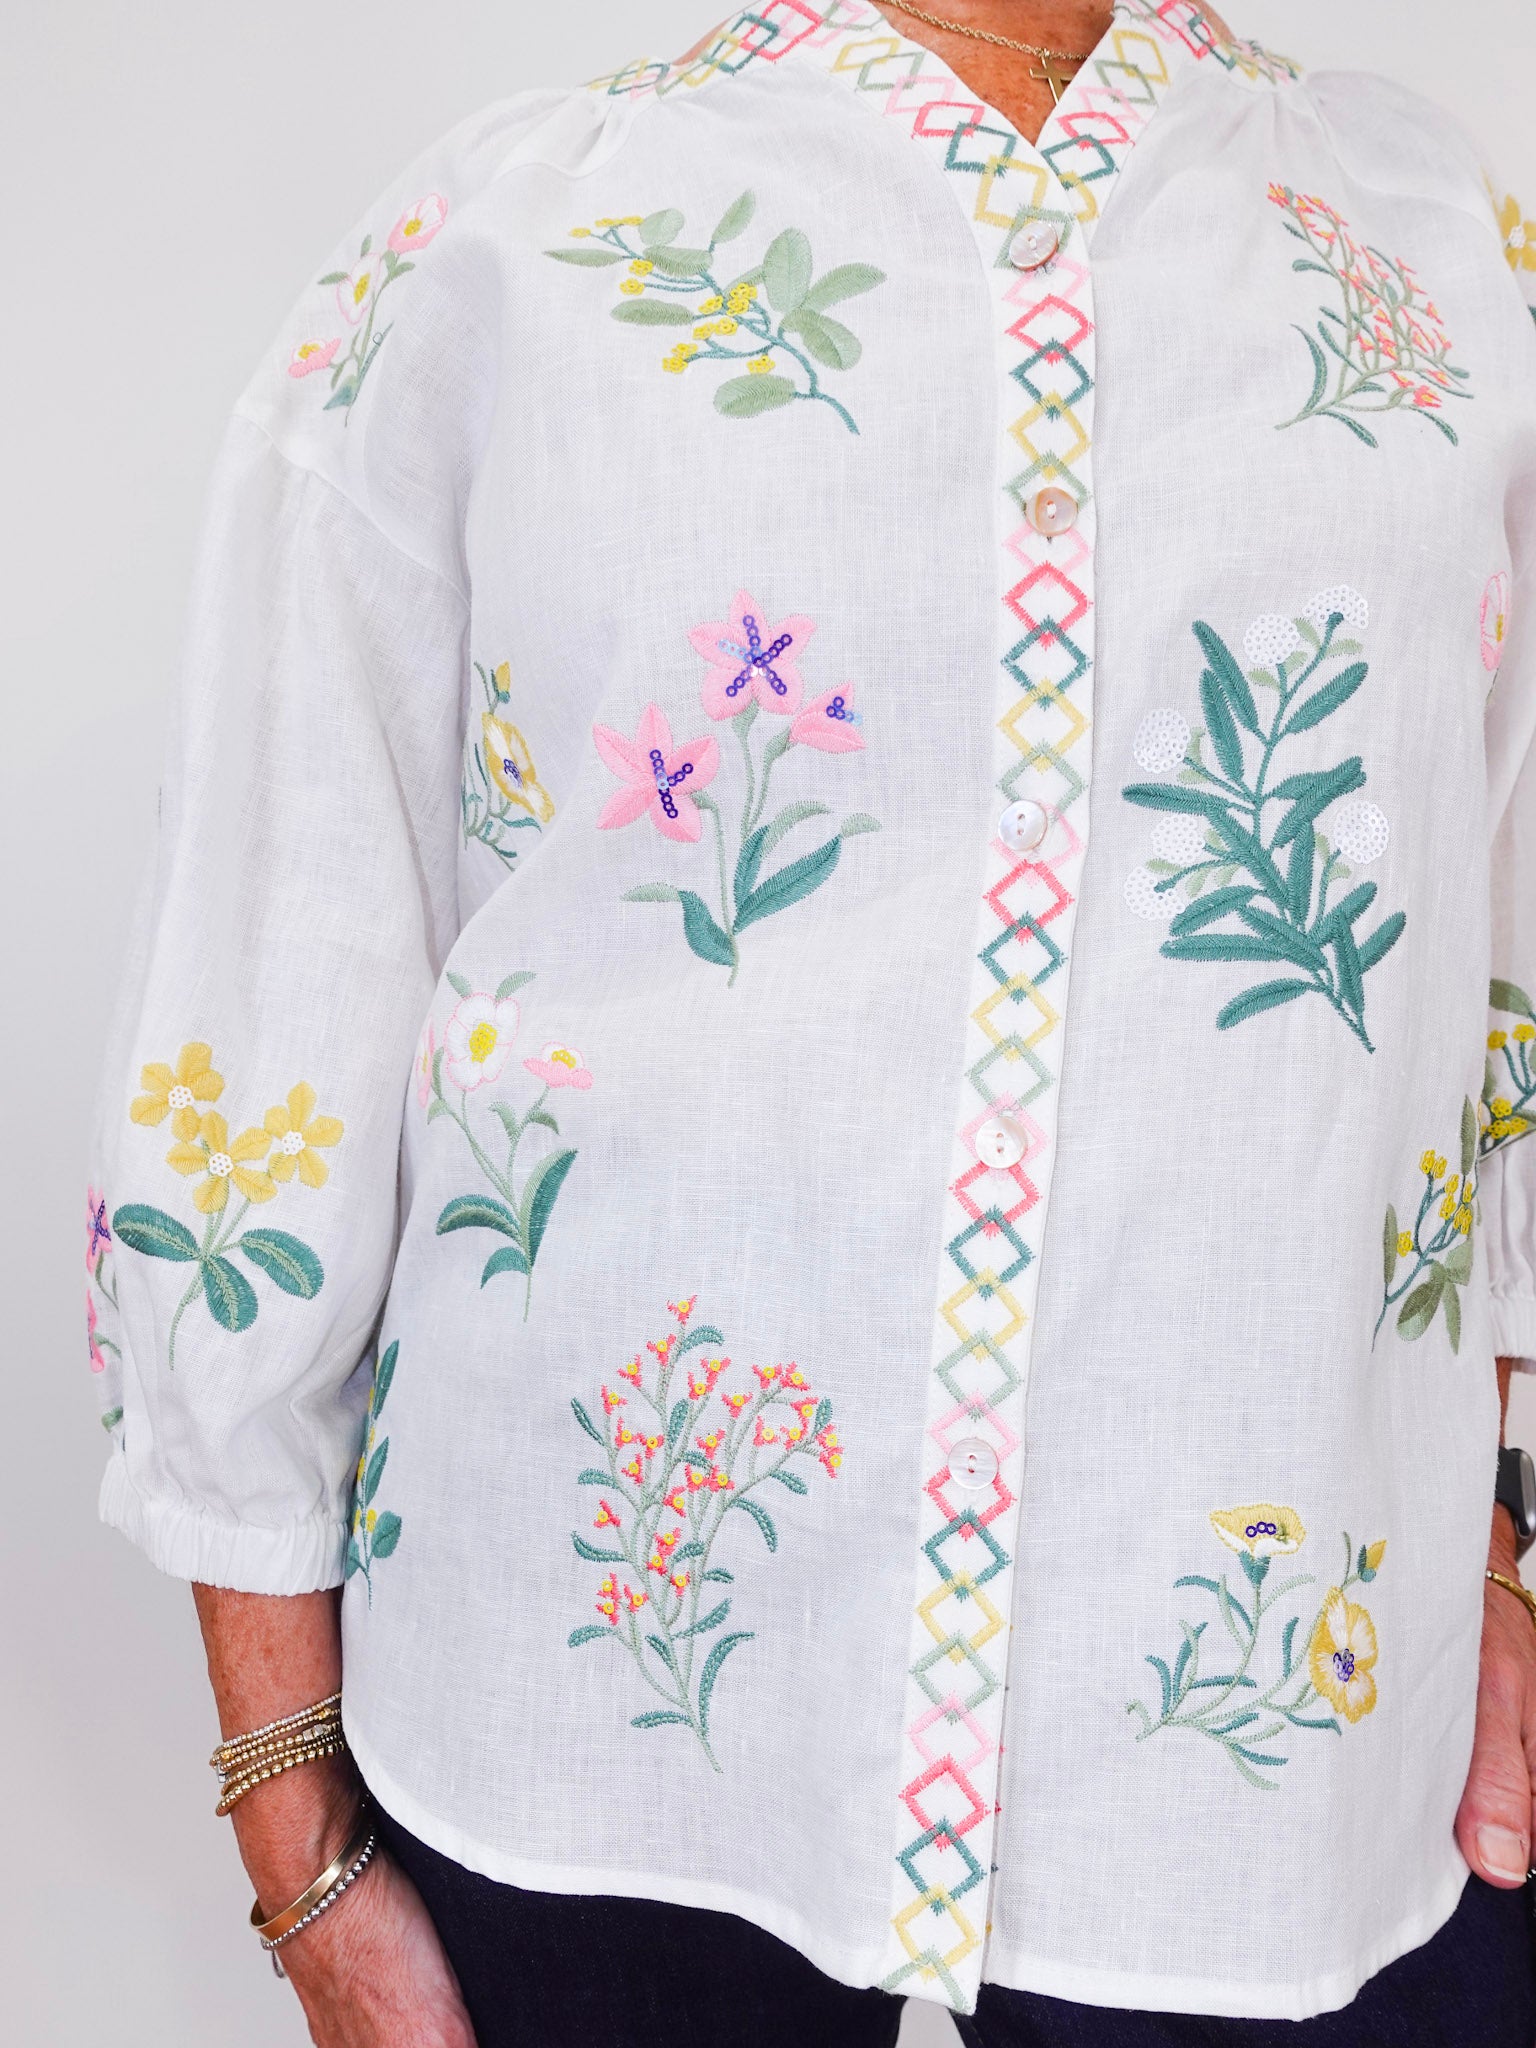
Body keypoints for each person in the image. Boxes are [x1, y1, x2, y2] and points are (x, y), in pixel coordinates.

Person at [87, 1, 1536, 2042]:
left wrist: (1502, 1548)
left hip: (1276, 1815)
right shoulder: (514, 246)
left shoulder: (1444, 263)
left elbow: (1490, 997)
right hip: (588, 1798)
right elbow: (269, 1003)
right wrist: (291, 1830)